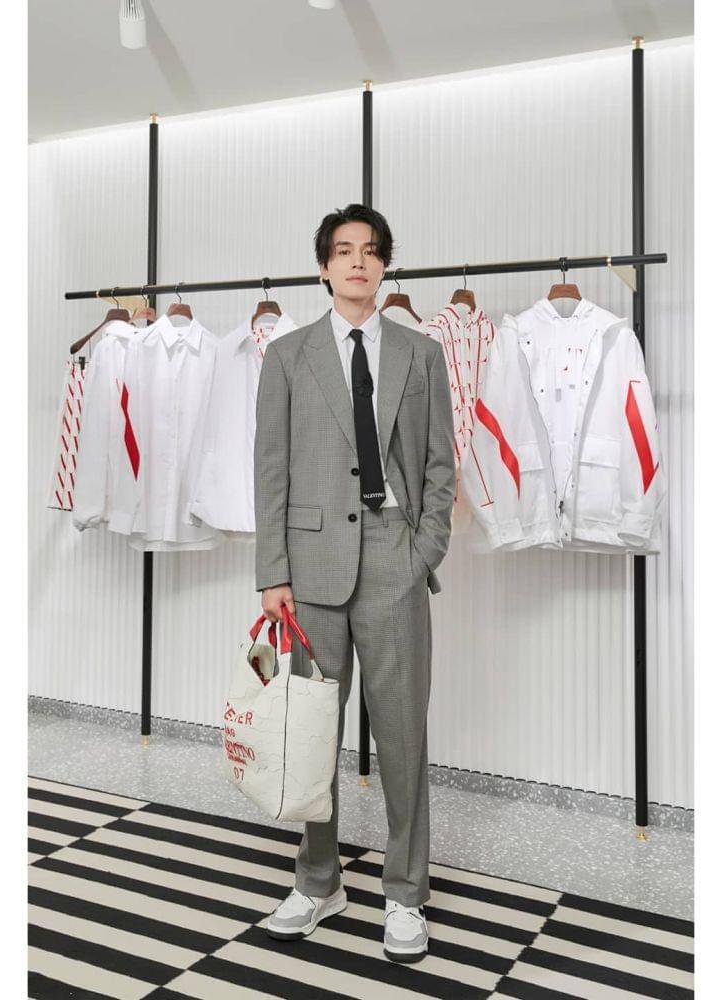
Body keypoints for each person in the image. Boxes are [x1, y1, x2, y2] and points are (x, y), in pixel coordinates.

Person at [253, 203, 456, 963]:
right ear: (324, 267)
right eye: (344, 251)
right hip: (310, 570)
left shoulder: (420, 353)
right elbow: (270, 470)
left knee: (402, 736)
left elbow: (440, 465)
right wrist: (273, 572)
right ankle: (318, 881)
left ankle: (405, 894)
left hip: (395, 557)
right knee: (312, 733)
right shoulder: (287, 355)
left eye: (370, 251)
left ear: (384, 265)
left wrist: (423, 552)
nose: (358, 262)